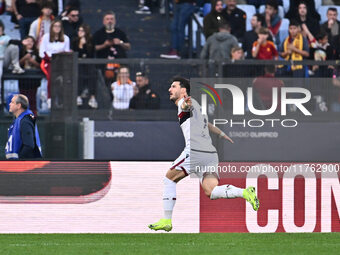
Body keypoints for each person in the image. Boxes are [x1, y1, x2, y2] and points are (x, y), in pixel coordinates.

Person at [148, 77, 259, 232]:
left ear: (183, 90)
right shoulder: (197, 107)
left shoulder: (184, 102)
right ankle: (245, 192)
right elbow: (206, 124)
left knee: (169, 179)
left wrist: (186, 103)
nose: (169, 89)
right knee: (211, 191)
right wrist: (221, 134)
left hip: (195, 152)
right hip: (210, 154)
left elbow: (185, 105)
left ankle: (166, 220)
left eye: (173, 86)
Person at [39, 19, 70, 100]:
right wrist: (50, 57)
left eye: (59, 26)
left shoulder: (66, 38)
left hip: (61, 61)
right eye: (55, 26)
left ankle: (61, 99)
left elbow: (67, 52)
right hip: (48, 61)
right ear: (52, 27)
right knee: (51, 74)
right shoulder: (46, 37)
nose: (57, 28)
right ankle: (49, 98)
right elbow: (41, 52)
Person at [5, 94, 42, 159]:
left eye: (12, 102)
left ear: (19, 105)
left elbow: (29, 145)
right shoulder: (20, 119)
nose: (9, 104)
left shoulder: (25, 120)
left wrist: (19, 161)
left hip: (24, 166)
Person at [72, 24, 97, 109]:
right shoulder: (75, 41)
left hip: (89, 64)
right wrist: (81, 46)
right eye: (79, 30)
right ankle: (78, 95)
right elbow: (76, 54)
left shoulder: (91, 41)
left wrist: (85, 45)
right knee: (79, 73)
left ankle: (92, 97)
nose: (80, 32)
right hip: (78, 65)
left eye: (82, 31)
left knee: (92, 73)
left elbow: (90, 54)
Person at [19, 36, 41, 115]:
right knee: (22, 98)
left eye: (31, 41)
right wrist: (25, 58)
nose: (30, 43)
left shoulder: (37, 53)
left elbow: (40, 65)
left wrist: (32, 61)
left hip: (33, 79)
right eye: (28, 41)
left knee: (32, 98)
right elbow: (17, 64)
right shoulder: (21, 51)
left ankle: (33, 113)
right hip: (23, 78)